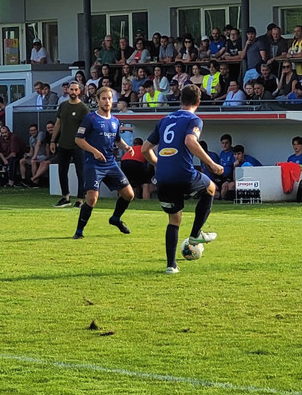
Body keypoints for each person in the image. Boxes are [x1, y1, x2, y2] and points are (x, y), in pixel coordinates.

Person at [142, 85, 224, 274]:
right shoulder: (194, 119)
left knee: (174, 219)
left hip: (163, 177)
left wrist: (158, 164)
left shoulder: (164, 120)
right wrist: (211, 164)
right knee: (211, 187)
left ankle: (171, 265)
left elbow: (145, 149)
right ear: (198, 102)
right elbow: (190, 141)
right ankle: (195, 235)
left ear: (180, 100)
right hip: (183, 174)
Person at [72, 87, 135, 239]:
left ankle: (115, 218)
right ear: (98, 100)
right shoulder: (90, 118)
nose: (107, 101)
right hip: (93, 164)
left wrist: (126, 147)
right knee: (92, 199)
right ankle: (79, 231)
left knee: (129, 194)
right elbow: (78, 139)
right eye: (104, 98)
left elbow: (117, 139)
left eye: (109, 98)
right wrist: (93, 151)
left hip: (110, 163)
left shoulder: (115, 121)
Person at [49, 81, 90, 208]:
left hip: (78, 145)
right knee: (62, 171)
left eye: (75, 90)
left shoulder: (83, 108)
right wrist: (52, 140)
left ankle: (80, 199)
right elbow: (58, 124)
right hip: (63, 143)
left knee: (80, 172)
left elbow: (88, 126)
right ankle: (65, 196)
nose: (72, 92)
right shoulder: (62, 106)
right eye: (70, 89)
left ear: (79, 91)